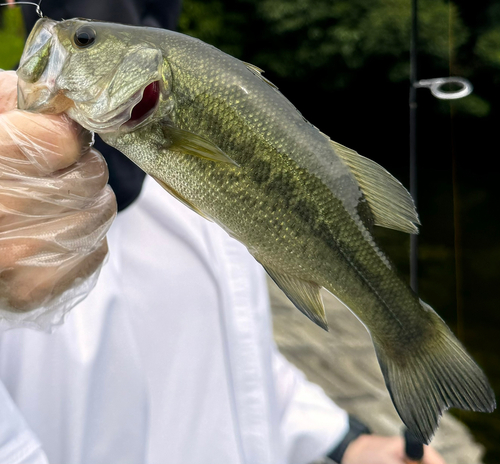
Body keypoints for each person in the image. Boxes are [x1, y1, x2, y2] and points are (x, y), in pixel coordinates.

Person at [0, 2, 447, 464]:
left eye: (85, 41)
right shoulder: (12, 160)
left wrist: (345, 441)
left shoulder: (186, 143)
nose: (65, 35)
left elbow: (240, 351)